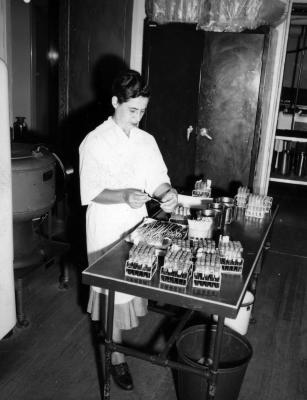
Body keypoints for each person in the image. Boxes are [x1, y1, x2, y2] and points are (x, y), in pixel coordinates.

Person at [79, 69, 178, 391]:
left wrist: (167, 193)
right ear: (114, 102)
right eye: (132, 110)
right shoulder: (93, 141)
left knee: (133, 281)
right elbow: (90, 191)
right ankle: (116, 357)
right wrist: (122, 195)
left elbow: (157, 178)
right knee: (112, 294)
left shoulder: (146, 141)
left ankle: (113, 338)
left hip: (137, 226)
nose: (137, 117)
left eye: (142, 111)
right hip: (105, 224)